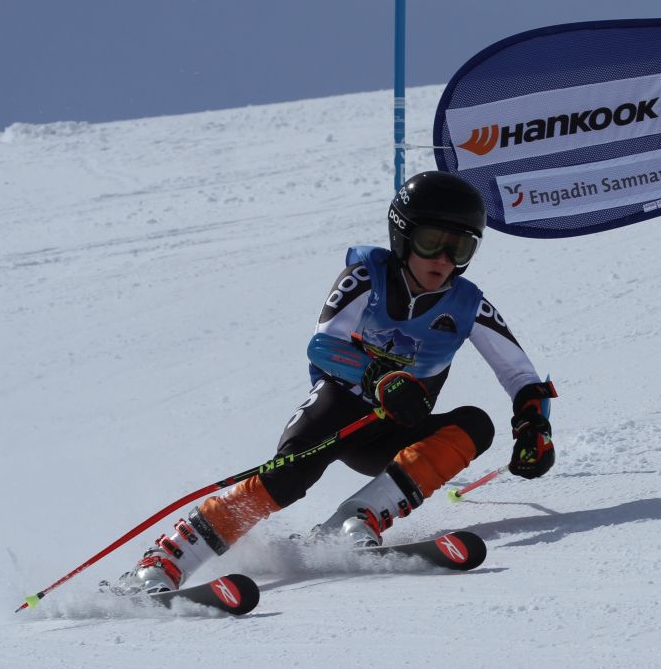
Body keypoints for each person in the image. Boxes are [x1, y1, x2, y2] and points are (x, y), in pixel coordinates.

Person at [109, 171, 557, 595]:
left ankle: (355, 521)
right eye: (430, 242)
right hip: (339, 411)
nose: (443, 259)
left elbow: (520, 375)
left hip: (396, 430)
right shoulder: (366, 277)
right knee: (286, 479)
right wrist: (380, 378)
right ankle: (166, 560)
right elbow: (323, 345)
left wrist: (534, 425)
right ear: (403, 236)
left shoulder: (467, 305)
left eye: (459, 248)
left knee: (475, 424)